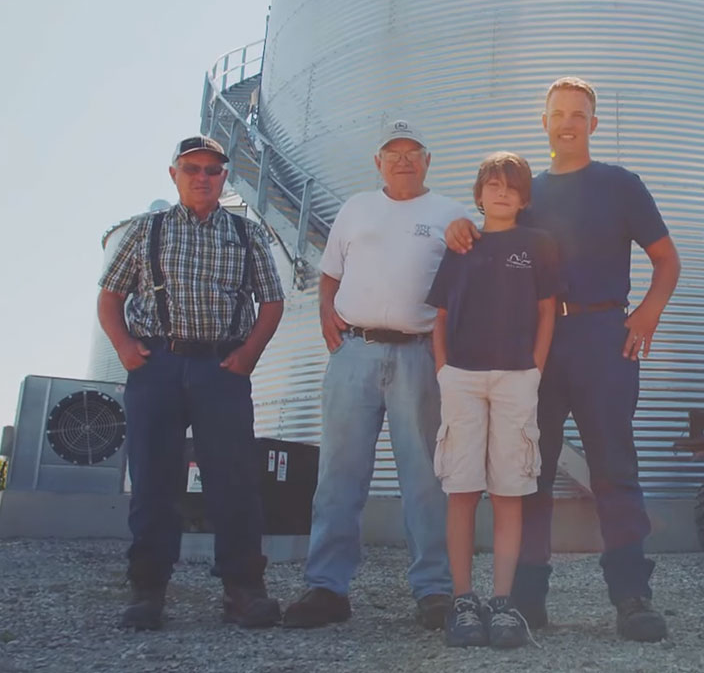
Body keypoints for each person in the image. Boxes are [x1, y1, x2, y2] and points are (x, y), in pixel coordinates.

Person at [446, 78, 681, 642]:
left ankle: (631, 595)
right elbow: (491, 234)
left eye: (579, 114)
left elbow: (666, 260)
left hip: (606, 335)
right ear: (544, 122)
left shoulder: (621, 185)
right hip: (539, 344)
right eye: (558, 114)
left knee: (614, 468)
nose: (568, 122)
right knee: (532, 471)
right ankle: (527, 598)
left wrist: (646, 313)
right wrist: (460, 227)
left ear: (593, 124)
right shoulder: (529, 192)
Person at [97, 135, 286, 630]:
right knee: (154, 480)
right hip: (156, 364)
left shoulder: (247, 234)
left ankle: (243, 589)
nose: (203, 177)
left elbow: (272, 301)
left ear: (225, 177)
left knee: (235, 480)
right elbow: (110, 296)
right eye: (192, 168)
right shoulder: (147, 231)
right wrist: (122, 347)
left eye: (213, 169)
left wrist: (248, 354)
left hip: (220, 369)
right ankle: (149, 590)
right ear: (175, 174)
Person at [283, 120, 463, 630]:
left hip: (419, 355)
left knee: (426, 477)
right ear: (378, 162)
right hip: (354, 353)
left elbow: (469, 284)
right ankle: (327, 587)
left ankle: (433, 590)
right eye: (393, 152)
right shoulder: (355, 208)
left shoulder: (451, 214)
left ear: (428, 161)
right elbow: (330, 273)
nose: (403, 159)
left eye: (413, 151)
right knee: (339, 475)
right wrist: (326, 313)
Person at [427, 152, 561, 648]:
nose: (501, 193)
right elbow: (439, 315)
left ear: (524, 198)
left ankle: (503, 602)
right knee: (461, 489)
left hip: (515, 379)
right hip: (461, 377)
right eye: (493, 185)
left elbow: (548, 311)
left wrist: (535, 370)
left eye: (511, 187)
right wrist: (443, 370)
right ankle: (464, 600)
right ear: (479, 192)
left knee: (509, 490)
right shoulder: (462, 244)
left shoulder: (538, 245)